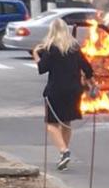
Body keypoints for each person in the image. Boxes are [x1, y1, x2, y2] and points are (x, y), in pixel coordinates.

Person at [33, 18, 94, 170]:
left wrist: (35, 53)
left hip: (55, 91)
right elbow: (88, 68)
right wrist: (89, 82)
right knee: (66, 122)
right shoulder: (74, 48)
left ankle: (64, 151)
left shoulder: (51, 49)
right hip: (74, 91)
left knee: (51, 124)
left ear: (52, 31)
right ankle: (63, 155)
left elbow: (42, 68)